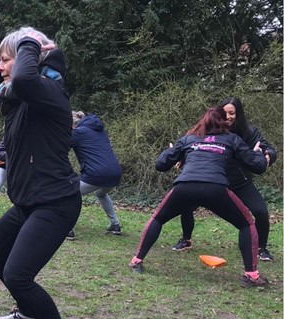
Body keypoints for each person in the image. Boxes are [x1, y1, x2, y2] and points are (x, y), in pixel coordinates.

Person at [0, 27, 85, 319]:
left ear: (30, 59)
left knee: (18, 274)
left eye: (5, 60)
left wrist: (28, 40)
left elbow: (25, 79)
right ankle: (27, 314)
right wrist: (5, 58)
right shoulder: (17, 100)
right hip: (28, 201)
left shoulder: (49, 92)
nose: (0, 68)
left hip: (56, 202)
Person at [129, 106, 268, 288]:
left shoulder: (189, 139)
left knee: (158, 218)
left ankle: (136, 261)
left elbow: (161, 164)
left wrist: (168, 151)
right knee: (247, 224)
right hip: (215, 188)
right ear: (223, 122)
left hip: (185, 186)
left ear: (203, 121)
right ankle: (251, 276)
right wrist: (259, 154)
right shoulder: (232, 139)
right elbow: (258, 166)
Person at [172, 97, 277, 262]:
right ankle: (186, 239)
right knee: (186, 204)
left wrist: (268, 156)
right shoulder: (210, 129)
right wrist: (181, 158)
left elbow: (268, 149)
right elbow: (194, 146)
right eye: (225, 113)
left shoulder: (249, 132)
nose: (228, 117)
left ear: (238, 114)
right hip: (213, 180)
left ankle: (261, 248)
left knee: (261, 211)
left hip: (240, 182)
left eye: (232, 113)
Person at [67, 111, 122, 240]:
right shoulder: (99, 130)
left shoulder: (78, 133)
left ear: (72, 124)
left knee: (67, 193)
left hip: (96, 174)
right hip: (115, 173)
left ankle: (66, 228)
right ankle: (115, 225)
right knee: (100, 193)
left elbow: (58, 148)